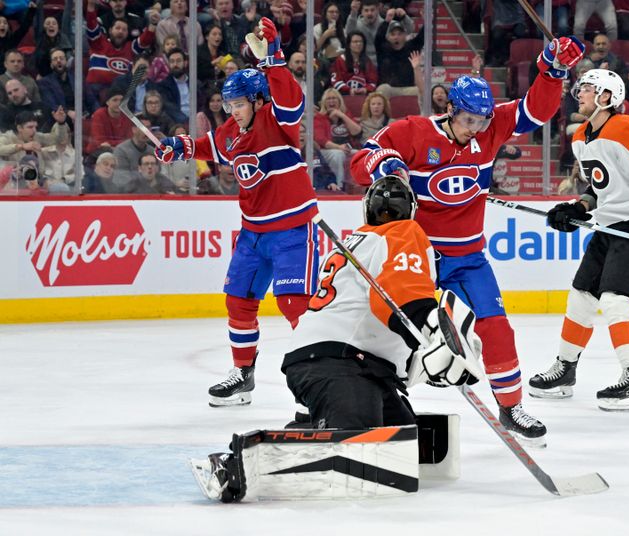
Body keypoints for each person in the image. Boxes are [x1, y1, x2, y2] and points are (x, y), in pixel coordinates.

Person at [350, 36, 587, 439]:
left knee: (496, 327)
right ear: (449, 110)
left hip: (468, 259)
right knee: (387, 335)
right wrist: (389, 166)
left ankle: (511, 407)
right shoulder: (414, 132)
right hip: (416, 257)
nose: (475, 129)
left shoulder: (490, 128)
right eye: (468, 121)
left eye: (481, 120)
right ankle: (369, 403)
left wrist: (552, 69)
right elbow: (362, 159)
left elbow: (536, 110)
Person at [154, 18, 319, 408]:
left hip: (293, 228)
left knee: (295, 303)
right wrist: (180, 148)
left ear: (258, 100)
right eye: (229, 105)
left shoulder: (276, 121)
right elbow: (210, 145)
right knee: (238, 302)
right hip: (252, 234)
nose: (233, 111)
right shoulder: (232, 129)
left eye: (239, 104)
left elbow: (293, 100)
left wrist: (275, 56)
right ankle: (243, 376)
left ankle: (322, 375)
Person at [528, 69, 629, 412]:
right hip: (606, 227)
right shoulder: (580, 136)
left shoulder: (624, 127)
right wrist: (578, 207)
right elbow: (599, 187)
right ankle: (565, 370)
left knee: (615, 300)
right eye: (580, 88)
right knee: (581, 296)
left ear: (607, 97)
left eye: (587, 89)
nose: (578, 94)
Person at [283, 174, 481, 431]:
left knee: (404, 443)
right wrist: (432, 331)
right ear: (411, 211)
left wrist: (426, 362)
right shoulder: (403, 231)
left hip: (351, 364)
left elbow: (372, 311)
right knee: (362, 451)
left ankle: (312, 424)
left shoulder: (354, 244)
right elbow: (399, 295)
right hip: (342, 361)